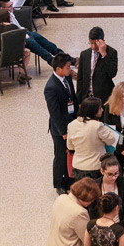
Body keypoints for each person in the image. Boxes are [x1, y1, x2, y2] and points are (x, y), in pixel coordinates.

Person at [45, 53, 79, 194]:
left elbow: (73, 97)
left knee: (71, 152)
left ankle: (70, 180)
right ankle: (59, 183)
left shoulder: (67, 77)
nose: (69, 70)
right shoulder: (51, 87)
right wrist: (63, 131)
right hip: (60, 128)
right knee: (60, 155)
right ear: (58, 69)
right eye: (66, 68)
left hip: (72, 121)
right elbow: (54, 113)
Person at [66, 97, 117, 181]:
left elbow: (70, 146)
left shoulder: (71, 125)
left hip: (77, 166)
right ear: (93, 110)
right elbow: (111, 140)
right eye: (100, 108)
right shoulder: (98, 126)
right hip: (95, 167)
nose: (102, 110)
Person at [46, 178, 100, 246]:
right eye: (91, 200)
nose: (91, 202)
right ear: (85, 197)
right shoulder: (80, 213)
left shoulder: (61, 198)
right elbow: (87, 239)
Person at [97, 154, 124, 228]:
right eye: (110, 174)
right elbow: (92, 210)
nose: (114, 177)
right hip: (101, 226)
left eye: (116, 173)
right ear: (102, 171)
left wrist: (120, 226)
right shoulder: (96, 185)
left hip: (120, 224)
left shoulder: (123, 182)